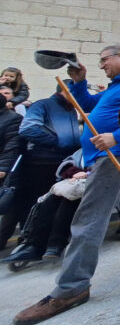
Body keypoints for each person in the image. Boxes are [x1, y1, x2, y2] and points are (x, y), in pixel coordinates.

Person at [13, 45, 120, 325]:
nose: (102, 65)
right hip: (112, 156)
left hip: (119, 155)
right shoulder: (117, 86)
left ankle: (71, 288)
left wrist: (116, 137)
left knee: (88, 219)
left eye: (105, 59)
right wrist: (79, 82)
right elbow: (90, 105)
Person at [0, 81, 81, 252]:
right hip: (41, 163)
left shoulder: (71, 110)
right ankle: (32, 241)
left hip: (63, 163)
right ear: (66, 92)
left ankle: (48, 242)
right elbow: (28, 129)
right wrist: (58, 142)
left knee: (54, 204)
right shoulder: (43, 105)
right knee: (38, 204)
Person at [1, 150, 86, 264]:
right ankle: (34, 244)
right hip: (74, 182)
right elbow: (68, 162)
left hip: (95, 184)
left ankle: (56, 243)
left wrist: (87, 173)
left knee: (68, 201)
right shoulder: (85, 147)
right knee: (46, 202)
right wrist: (73, 172)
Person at [0, 94, 24, 250]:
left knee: (10, 205)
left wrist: (2, 168)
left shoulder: (12, 119)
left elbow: (12, 145)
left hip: (6, 171)